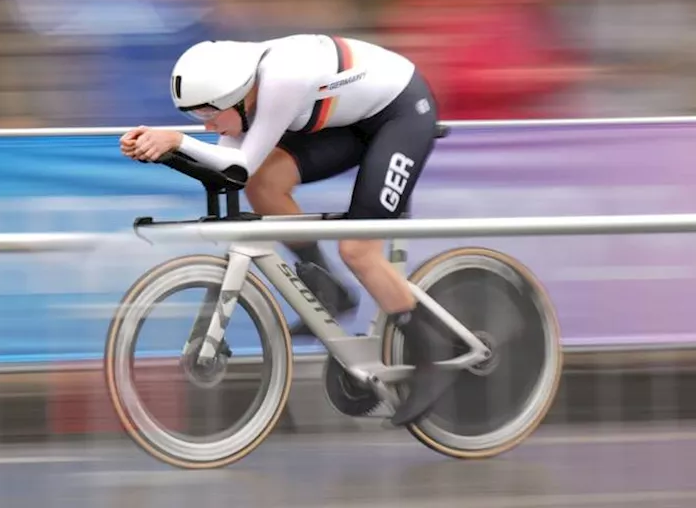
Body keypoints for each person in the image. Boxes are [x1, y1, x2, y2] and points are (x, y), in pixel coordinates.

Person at [119, 33, 454, 427]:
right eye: (193, 116)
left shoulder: (282, 79)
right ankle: (328, 289)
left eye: (209, 112)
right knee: (264, 186)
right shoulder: (243, 94)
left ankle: (433, 355)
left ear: (242, 94)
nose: (206, 124)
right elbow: (235, 169)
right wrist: (165, 149)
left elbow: (237, 164)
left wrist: (176, 141)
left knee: (358, 250)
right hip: (352, 117)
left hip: (400, 114)